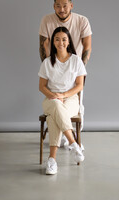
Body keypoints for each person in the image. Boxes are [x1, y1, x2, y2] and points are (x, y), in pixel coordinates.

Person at [39, 0, 92, 147]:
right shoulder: (47, 20)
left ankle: (69, 137)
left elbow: (87, 47)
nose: (61, 9)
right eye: (58, 6)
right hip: (54, 65)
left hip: (75, 67)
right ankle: (72, 140)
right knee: (56, 103)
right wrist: (50, 67)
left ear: (71, 6)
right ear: (54, 6)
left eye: (65, 6)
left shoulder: (82, 21)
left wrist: (78, 69)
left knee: (76, 105)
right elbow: (43, 46)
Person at [38, 27, 87, 175]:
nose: (61, 42)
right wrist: (54, 95)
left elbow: (79, 85)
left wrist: (63, 95)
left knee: (54, 116)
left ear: (69, 41)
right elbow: (41, 87)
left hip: (70, 99)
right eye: (57, 39)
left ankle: (51, 160)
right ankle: (73, 143)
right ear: (53, 42)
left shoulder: (76, 60)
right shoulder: (47, 62)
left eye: (64, 39)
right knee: (55, 106)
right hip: (51, 99)